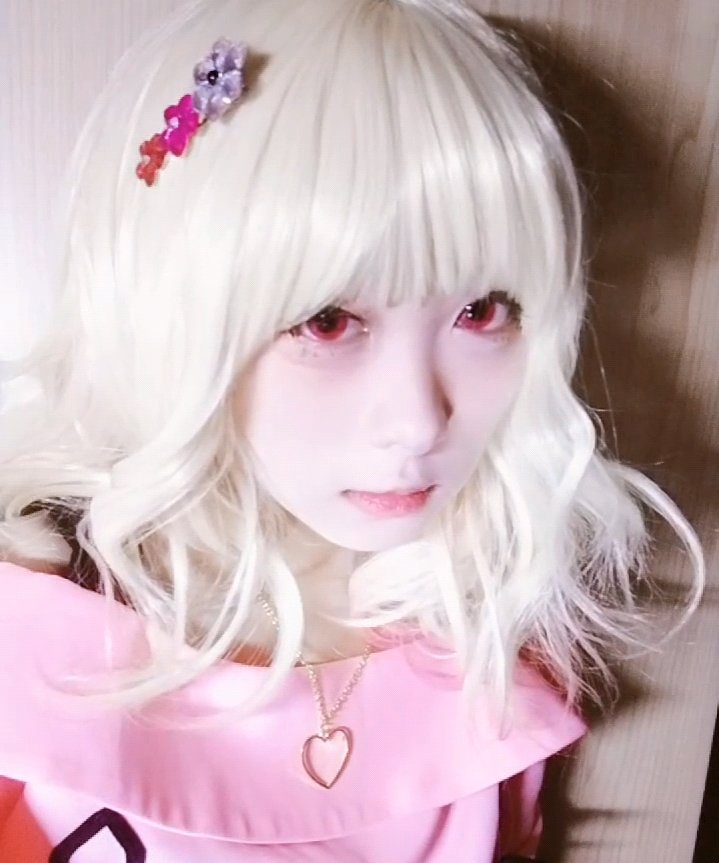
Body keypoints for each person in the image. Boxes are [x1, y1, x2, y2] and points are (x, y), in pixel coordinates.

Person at [0, 0, 704, 860]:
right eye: (327, 321)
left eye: (482, 311)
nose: (417, 421)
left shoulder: (484, 660)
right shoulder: (28, 615)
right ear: (169, 318)